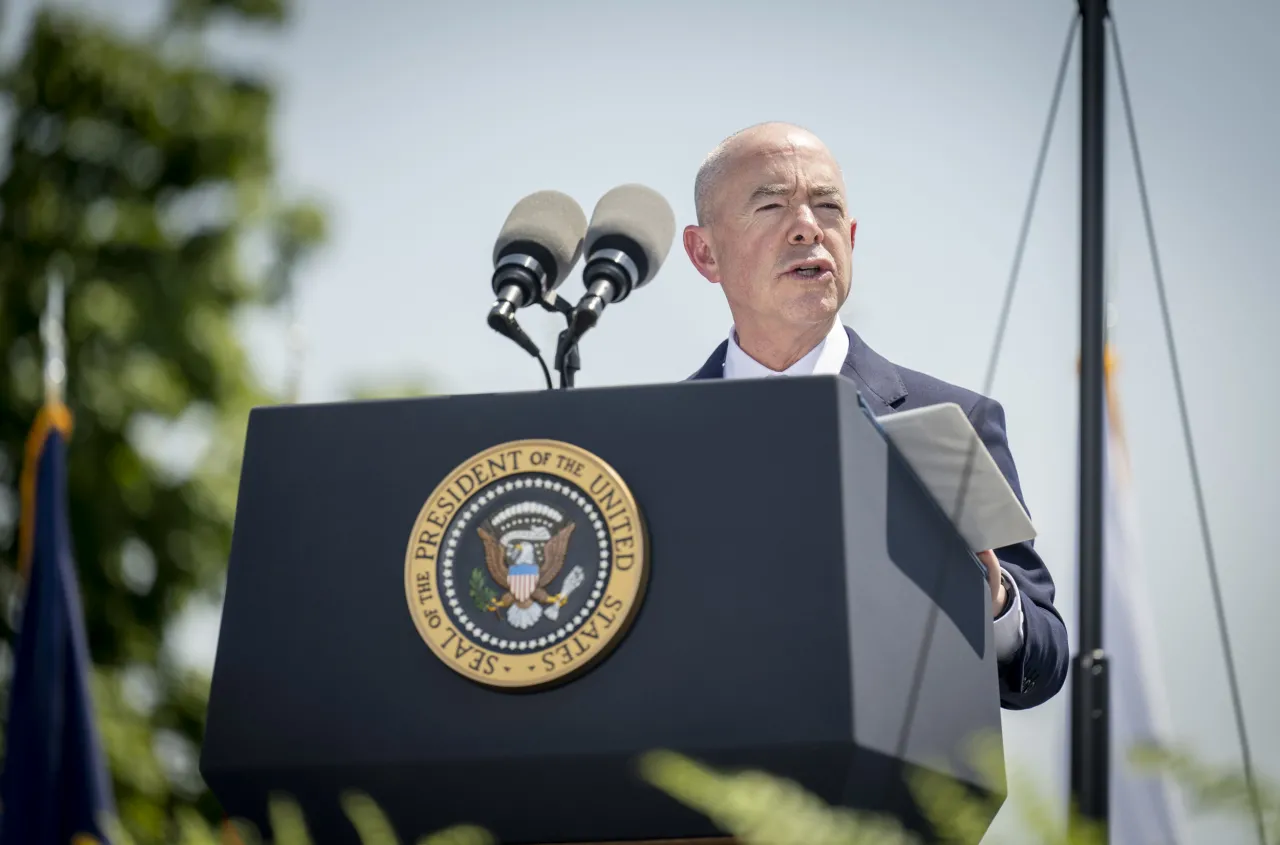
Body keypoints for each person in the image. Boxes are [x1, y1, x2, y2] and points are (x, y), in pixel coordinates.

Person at [681, 122, 1068, 710]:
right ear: (705, 252)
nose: (808, 225)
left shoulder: (953, 418)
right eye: (772, 205)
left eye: (827, 206)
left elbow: (1042, 657)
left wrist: (990, 600)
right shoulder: (665, 434)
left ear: (851, 237)